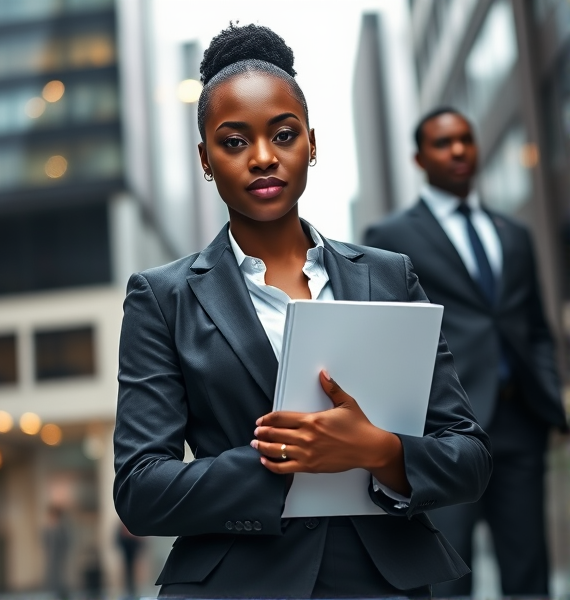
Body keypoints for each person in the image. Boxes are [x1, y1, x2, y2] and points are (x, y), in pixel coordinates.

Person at [113, 25, 491, 598]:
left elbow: (468, 455)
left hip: (382, 580)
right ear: (205, 159)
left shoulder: (390, 277)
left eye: (284, 135)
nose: (263, 158)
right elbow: (140, 492)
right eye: (234, 142)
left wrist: (379, 450)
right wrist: (275, 461)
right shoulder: (162, 299)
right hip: (239, 582)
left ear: (312, 143)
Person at [364, 107, 568, 596]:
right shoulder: (390, 240)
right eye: (442, 143)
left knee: (529, 571)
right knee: (449, 573)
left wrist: (552, 401)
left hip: (521, 421)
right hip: (443, 432)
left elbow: (535, 327)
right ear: (418, 157)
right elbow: (387, 338)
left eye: (465, 140)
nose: (457, 150)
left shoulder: (512, 234)